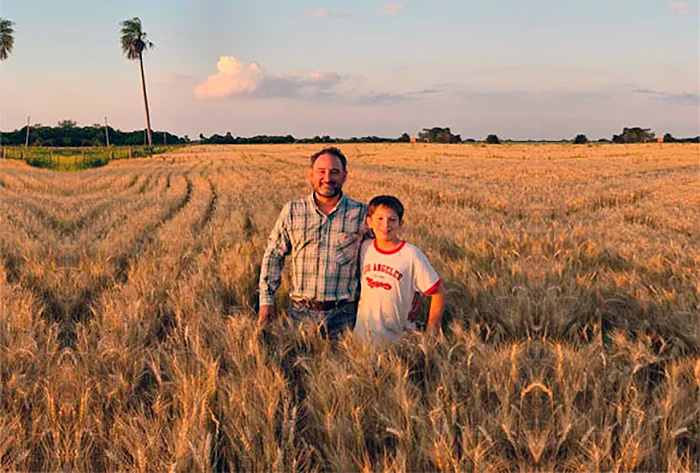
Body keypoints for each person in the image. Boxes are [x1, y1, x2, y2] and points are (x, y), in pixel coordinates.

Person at [257, 147, 368, 338]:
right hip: (299, 314)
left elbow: (383, 256)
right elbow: (273, 255)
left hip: (345, 317)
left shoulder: (361, 214)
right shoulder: (292, 211)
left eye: (334, 172)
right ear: (311, 174)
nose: (327, 178)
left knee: (344, 368)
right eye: (321, 171)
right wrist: (266, 301)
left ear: (345, 176)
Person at [354, 195, 445, 343]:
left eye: (392, 220)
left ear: (400, 224)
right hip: (362, 337)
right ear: (369, 222)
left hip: (397, 341)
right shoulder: (364, 248)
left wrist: (431, 332)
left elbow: (438, 291)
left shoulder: (411, 254)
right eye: (379, 219)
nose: (385, 225)